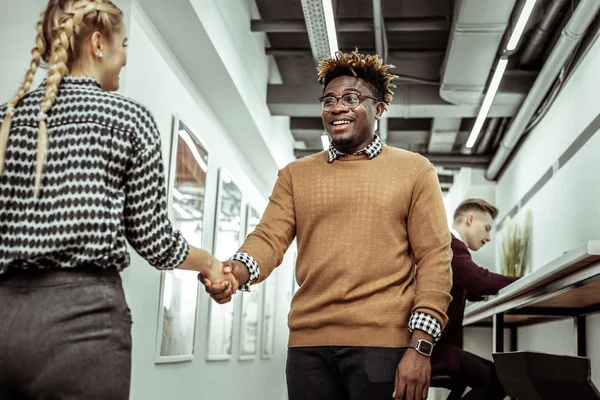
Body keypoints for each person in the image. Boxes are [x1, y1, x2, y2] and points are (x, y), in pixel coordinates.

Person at [0, 1, 232, 399]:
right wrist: (210, 262)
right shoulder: (129, 120)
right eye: (123, 44)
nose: (125, 56)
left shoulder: (7, 118)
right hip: (84, 323)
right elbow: (154, 241)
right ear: (98, 44)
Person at [204, 50, 453, 400]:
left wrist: (422, 346)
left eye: (352, 98)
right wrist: (235, 273)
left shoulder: (415, 171)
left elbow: (435, 259)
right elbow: (268, 238)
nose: (338, 108)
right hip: (309, 348)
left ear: (379, 108)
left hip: (383, 348)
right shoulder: (295, 175)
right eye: (329, 100)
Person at [431, 198, 519, 400]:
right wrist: (527, 280)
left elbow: (468, 286)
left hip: (440, 349)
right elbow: (479, 281)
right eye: (487, 228)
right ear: (470, 220)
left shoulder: (446, 245)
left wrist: (478, 291)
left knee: (497, 377)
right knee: (501, 381)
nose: (488, 237)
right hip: (437, 352)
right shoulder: (450, 245)